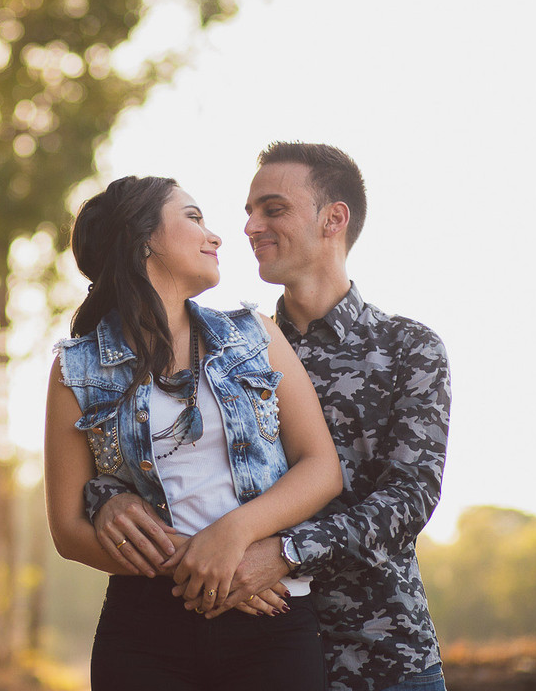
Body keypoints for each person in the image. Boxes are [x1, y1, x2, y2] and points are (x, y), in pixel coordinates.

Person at [88, 144, 452, 691]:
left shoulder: (408, 349)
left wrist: (283, 555)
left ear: (334, 219)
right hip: (245, 648)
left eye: (272, 209)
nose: (250, 227)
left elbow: (408, 499)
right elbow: (156, 456)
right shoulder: (223, 345)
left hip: (381, 653)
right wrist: (106, 498)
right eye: (248, 212)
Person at [44, 175, 342, 691]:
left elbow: (321, 467)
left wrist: (233, 537)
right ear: (144, 242)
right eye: (193, 217)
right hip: (144, 632)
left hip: (271, 621)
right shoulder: (76, 369)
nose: (217, 235)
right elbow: (69, 529)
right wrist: (200, 564)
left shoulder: (255, 335)